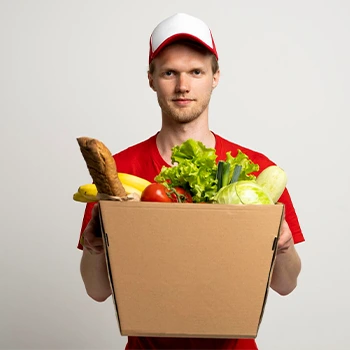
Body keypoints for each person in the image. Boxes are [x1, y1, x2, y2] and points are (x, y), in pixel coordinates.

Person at [77, 12, 304, 350]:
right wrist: (95, 247)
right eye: (170, 72)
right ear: (151, 79)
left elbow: (285, 285)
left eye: (196, 72)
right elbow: (97, 292)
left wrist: (282, 246)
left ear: (215, 77)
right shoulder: (119, 172)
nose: (183, 86)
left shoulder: (256, 171)